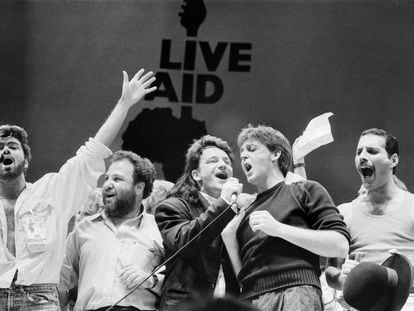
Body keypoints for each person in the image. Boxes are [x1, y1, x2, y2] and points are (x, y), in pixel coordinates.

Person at [0, 68, 157, 310]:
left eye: (12, 145)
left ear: (27, 160)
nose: (5, 151)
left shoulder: (51, 191)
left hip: (39, 299)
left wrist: (124, 103)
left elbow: (91, 152)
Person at [222, 124, 350, 311]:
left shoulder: (305, 190)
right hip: (250, 300)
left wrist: (278, 229)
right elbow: (243, 277)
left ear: (275, 154)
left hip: (296, 293)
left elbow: (339, 245)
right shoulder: (245, 211)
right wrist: (230, 240)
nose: (243, 157)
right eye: (241, 154)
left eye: (252, 149)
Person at [59, 150, 164, 311]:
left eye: (117, 179)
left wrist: (152, 280)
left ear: (139, 187)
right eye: (107, 178)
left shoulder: (159, 229)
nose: (107, 184)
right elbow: (62, 284)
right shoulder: (83, 228)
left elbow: (178, 283)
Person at [154, 135, 246, 311]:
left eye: (226, 161)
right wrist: (224, 204)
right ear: (196, 175)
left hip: (229, 304)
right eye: (213, 161)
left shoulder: (238, 212)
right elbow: (185, 243)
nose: (222, 165)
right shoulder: (172, 207)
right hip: (187, 305)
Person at [325, 128, 414, 310]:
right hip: (359, 306)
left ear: (393, 160)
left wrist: (395, 275)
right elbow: (330, 270)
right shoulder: (344, 213)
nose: (362, 156)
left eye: (372, 151)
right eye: (359, 152)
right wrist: (347, 280)